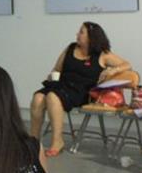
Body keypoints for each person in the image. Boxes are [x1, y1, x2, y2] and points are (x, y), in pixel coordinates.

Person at [30, 22, 131, 157]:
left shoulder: (102, 55)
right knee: (38, 97)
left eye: (81, 32)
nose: (77, 35)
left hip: (82, 91)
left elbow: (127, 64)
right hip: (62, 85)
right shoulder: (70, 48)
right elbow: (57, 69)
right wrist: (52, 75)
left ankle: (57, 141)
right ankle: (33, 141)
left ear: (91, 37)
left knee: (52, 97)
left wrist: (113, 70)